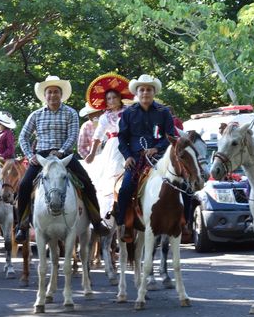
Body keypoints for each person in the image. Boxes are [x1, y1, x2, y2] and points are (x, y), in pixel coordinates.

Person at [15, 75, 109, 242]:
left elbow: (72, 135)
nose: (52, 95)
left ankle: (96, 221)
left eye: (56, 92)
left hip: (64, 156)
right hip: (42, 156)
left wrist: (61, 151)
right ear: (45, 96)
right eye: (49, 92)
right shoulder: (35, 115)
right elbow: (23, 137)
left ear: (61, 94)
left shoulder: (70, 113)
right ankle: (22, 226)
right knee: (23, 186)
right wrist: (30, 156)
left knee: (87, 183)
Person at [117, 74, 175, 241]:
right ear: (137, 92)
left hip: (160, 158)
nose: (145, 93)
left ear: (154, 92)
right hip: (136, 158)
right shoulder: (128, 113)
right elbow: (122, 138)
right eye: (141, 90)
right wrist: (127, 156)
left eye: (148, 89)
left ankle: (183, 220)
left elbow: (171, 135)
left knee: (181, 183)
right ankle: (123, 222)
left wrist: (157, 147)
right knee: (126, 187)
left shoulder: (164, 112)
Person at [84, 74, 132, 220]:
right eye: (108, 99)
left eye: (114, 98)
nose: (111, 101)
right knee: (113, 173)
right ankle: (112, 205)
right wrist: (92, 153)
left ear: (120, 98)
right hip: (113, 145)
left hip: (129, 143)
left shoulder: (129, 112)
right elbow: (98, 135)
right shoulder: (105, 117)